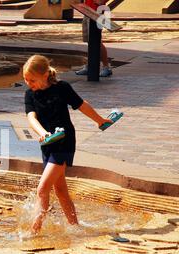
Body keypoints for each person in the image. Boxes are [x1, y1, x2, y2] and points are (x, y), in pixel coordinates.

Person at [24, 55, 113, 234]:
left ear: (44, 75)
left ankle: (34, 230)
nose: (28, 83)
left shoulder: (62, 88)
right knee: (60, 190)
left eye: (32, 80)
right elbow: (31, 118)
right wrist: (43, 134)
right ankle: (75, 226)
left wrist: (99, 120)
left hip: (64, 142)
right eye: (25, 79)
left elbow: (81, 105)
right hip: (48, 144)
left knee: (42, 189)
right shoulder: (30, 94)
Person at [75, 0, 113, 77]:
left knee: (97, 41)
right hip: (87, 11)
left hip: (97, 13)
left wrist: (102, 1)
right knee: (90, 41)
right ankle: (90, 66)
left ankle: (106, 67)